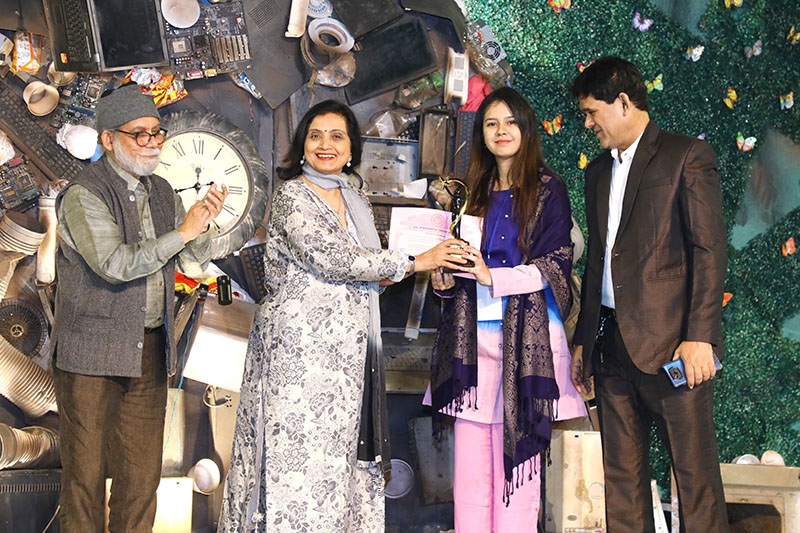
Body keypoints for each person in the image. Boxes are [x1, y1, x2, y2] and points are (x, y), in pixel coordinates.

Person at [218, 100, 464, 532]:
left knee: (338, 465)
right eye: (315, 136)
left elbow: (366, 272)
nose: (325, 144)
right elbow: (332, 259)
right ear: (302, 146)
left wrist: (417, 267)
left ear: (352, 148)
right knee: (296, 462)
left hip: (347, 360)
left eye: (336, 136)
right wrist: (414, 262)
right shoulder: (293, 197)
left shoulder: (356, 199)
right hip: (298, 358)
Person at [52, 83, 228, 532]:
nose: (152, 143)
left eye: (156, 132)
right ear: (109, 139)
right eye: (139, 134)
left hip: (147, 350)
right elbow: (114, 265)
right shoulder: (85, 193)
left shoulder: (164, 192)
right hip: (90, 355)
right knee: (85, 483)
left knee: (141, 482)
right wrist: (183, 233)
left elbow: (191, 263)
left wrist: (203, 225)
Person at [569, 57, 729, 532]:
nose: (588, 123)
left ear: (623, 102)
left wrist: (700, 336)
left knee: (694, 480)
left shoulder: (686, 155)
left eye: (592, 112)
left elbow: (708, 250)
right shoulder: (597, 171)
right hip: (611, 346)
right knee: (622, 481)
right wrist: (584, 340)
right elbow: (597, 258)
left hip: (675, 347)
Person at [428, 87, 586, 531]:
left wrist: (492, 277)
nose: (501, 131)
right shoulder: (472, 192)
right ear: (481, 133)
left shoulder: (549, 190)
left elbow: (555, 264)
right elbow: (462, 264)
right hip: (470, 342)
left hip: (527, 344)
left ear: (526, 128)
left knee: (518, 476)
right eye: (491, 123)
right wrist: (446, 281)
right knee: (470, 475)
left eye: (511, 122)